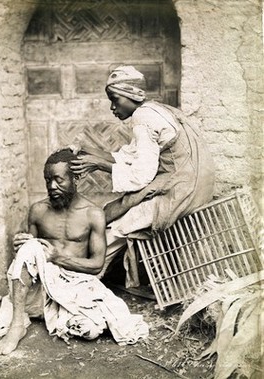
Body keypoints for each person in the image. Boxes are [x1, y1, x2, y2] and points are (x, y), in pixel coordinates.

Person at [70, 65, 215, 285]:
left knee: (117, 225)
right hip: (188, 183)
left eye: (115, 100)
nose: (112, 107)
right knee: (114, 210)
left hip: (182, 191)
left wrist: (99, 163)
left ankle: (82, 279)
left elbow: (141, 176)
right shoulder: (152, 110)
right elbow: (128, 156)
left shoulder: (143, 119)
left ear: (131, 95)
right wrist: (86, 150)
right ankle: (86, 273)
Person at [0, 148, 149, 355]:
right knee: (30, 247)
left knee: (90, 329)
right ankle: (17, 326)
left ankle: (55, 315)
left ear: (75, 178)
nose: (52, 186)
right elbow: (27, 259)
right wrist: (21, 247)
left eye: (58, 180)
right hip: (42, 284)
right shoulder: (38, 210)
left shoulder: (93, 214)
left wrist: (58, 257)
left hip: (77, 283)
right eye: (47, 180)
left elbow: (96, 265)